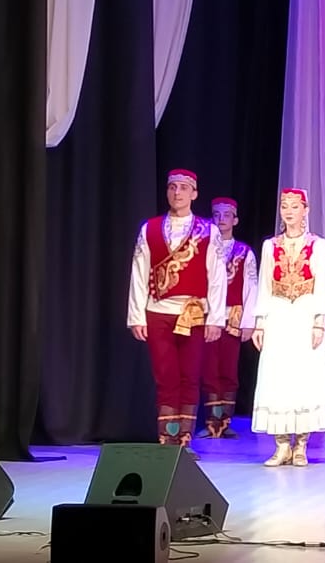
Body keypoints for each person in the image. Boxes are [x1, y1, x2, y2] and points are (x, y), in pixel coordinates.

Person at [127, 169, 227, 450]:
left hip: (193, 312)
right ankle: (167, 439)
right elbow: (139, 273)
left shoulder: (209, 231)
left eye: (184, 188)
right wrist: (136, 316)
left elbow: (217, 277)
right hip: (158, 312)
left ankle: (184, 440)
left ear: (194, 194)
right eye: (173, 187)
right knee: (165, 376)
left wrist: (216, 319)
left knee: (190, 376)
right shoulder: (150, 228)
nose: (177, 193)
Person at [250, 189, 325, 466]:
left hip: (305, 314)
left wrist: (319, 322)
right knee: (278, 377)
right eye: (284, 206)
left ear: (305, 210)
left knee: (303, 377)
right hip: (278, 314)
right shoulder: (270, 245)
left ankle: (301, 445)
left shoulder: (318, 245)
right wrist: (260, 322)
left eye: (294, 206)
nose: (289, 211)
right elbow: (264, 285)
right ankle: (281, 445)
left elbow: (323, 285)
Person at [202, 197, 257, 439]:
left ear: (235, 220)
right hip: (208, 315)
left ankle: (225, 421)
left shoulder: (244, 252)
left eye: (226, 215)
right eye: (216, 214)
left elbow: (251, 287)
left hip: (233, 316)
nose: (221, 219)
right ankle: (211, 422)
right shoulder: (204, 248)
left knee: (228, 370)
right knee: (209, 370)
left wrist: (249, 323)